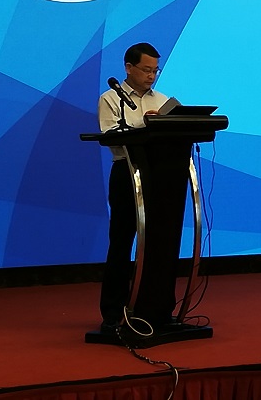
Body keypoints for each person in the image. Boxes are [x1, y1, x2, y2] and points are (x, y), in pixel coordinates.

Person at [97, 42, 169, 332]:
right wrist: (145, 128)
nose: (151, 76)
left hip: (161, 175)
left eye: (155, 71)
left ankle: (154, 308)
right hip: (127, 174)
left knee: (157, 243)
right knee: (121, 242)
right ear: (128, 68)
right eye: (146, 69)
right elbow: (109, 136)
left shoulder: (162, 102)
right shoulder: (111, 99)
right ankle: (113, 312)